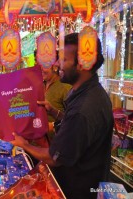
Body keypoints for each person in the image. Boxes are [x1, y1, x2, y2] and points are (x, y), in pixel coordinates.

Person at [11, 33, 113, 199]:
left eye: (64, 59)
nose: (58, 64)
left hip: (78, 190)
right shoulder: (89, 92)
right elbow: (76, 130)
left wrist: (25, 145)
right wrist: (54, 112)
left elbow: (54, 158)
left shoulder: (84, 108)